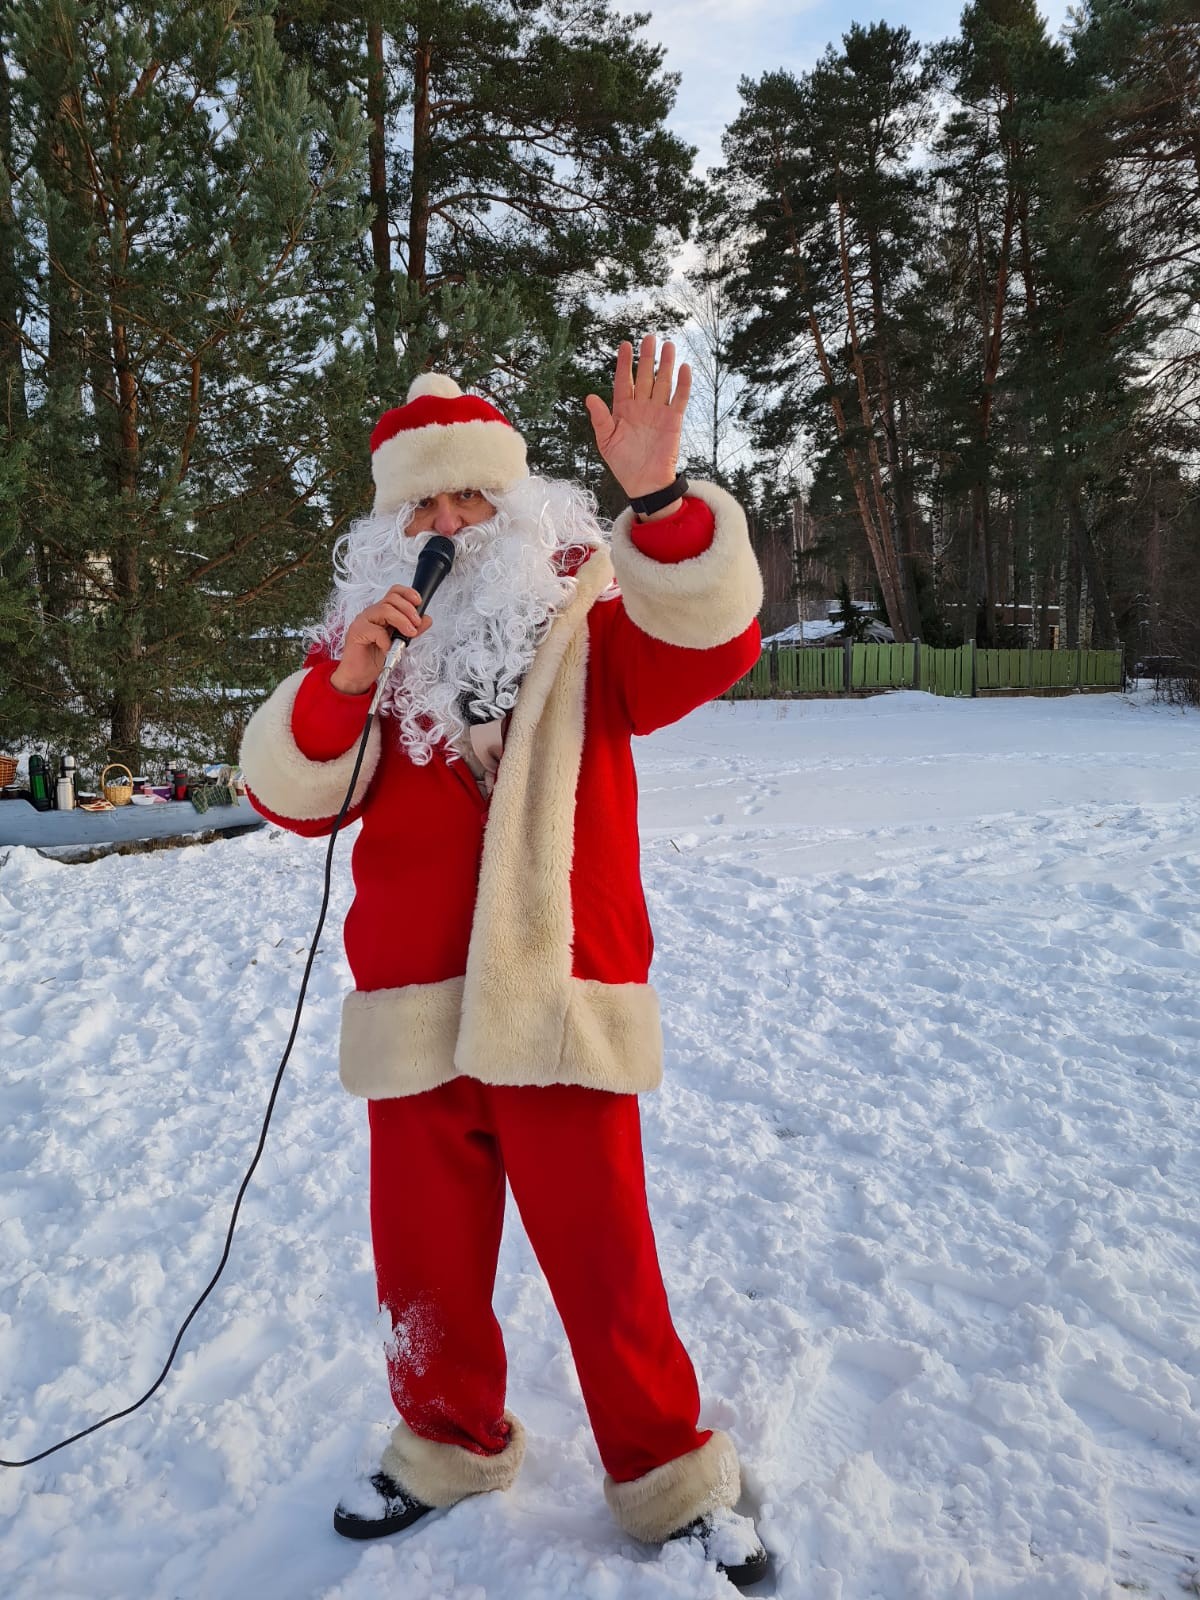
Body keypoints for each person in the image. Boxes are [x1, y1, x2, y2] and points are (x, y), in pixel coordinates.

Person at [237, 337, 767, 1586]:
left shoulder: (590, 607)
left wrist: (659, 502)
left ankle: (667, 1471)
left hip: (558, 994)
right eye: (422, 501)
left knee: (604, 1255)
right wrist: (340, 679)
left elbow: (714, 644)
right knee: (421, 1259)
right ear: (387, 528)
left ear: (517, 503)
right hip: (416, 1003)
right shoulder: (375, 643)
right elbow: (292, 795)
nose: (450, 521)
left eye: (472, 494)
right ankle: (443, 1442)